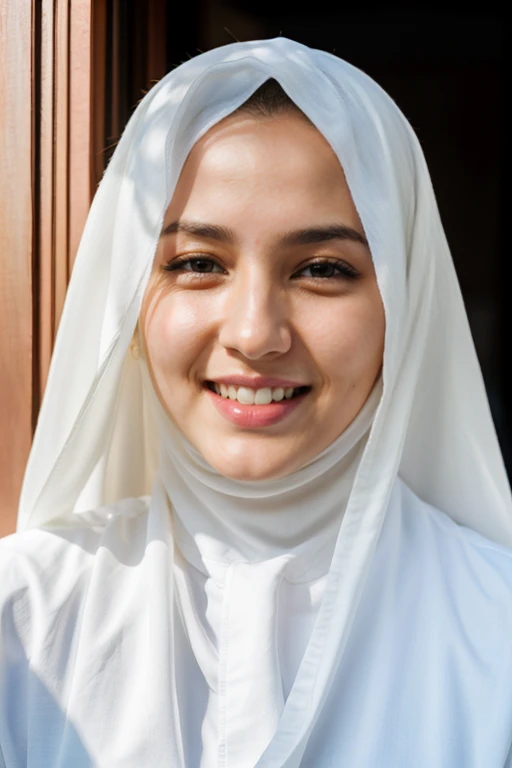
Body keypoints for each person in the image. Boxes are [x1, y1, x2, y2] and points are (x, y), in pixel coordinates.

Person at [0, 37, 511, 768]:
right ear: (130, 305)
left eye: (322, 270)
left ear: (405, 304)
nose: (254, 333)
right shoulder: (22, 623)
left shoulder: (498, 640)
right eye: (199, 263)